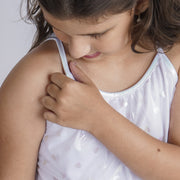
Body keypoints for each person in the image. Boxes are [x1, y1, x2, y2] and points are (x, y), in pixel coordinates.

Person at [0, 0, 180, 179]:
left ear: (141, 3)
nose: (77, 50)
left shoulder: (172, 65)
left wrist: (98, 119)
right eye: (59, 28)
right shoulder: (36, 76)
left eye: (97, 34)